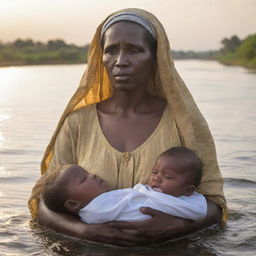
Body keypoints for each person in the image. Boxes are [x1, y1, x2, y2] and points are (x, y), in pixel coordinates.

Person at [29, 8, 227, 246]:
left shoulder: (184, 122)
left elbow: (215, 204)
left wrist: (177, 227)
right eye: (111, 50)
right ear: (100, 57)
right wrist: (84, 232)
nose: (121, 61)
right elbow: (45, 203)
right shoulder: (77, 123)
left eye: (135, 50)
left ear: (155, 58)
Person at [42, 147, 207, 223]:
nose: (92, 174)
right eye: (84, 179)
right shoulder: (96, 210)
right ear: (72, 204)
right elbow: (198, 210)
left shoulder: (106, 201)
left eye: (87, 172)